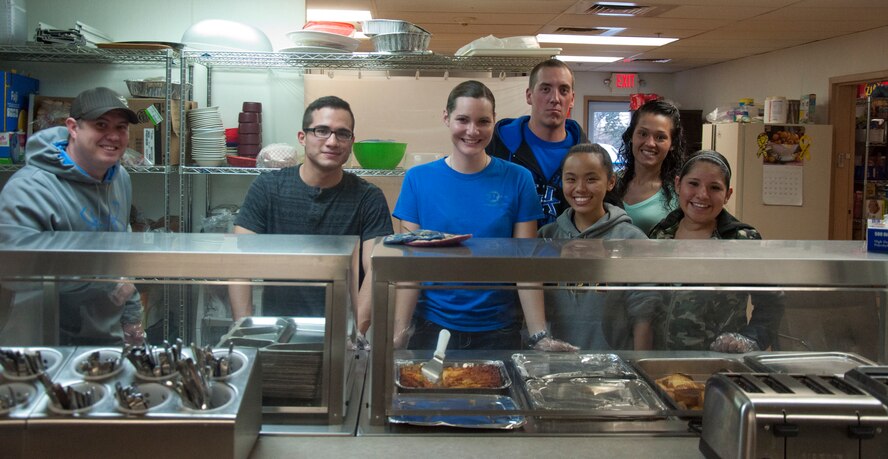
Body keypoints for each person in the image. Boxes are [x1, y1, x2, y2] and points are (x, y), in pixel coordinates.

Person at [393, 80, 575, 351]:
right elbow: (410, 269)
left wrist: (539, 336)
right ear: (446, 118)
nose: (472, 131)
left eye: (483, 121)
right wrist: (400, 333)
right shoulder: (418, 180)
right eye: (462, 120)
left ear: (493, 122)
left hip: (499, 328)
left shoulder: (518, 179)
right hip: (432, 327)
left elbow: (524, 264)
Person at [230, 96, 393, 338]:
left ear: (351, 142)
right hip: (277, 331)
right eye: (322, 131)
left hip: (343, 330)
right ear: (302, 137)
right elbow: (239, 262)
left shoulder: (368, 197)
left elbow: (377, 268)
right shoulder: (267, 188)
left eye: (342, 133)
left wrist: (355, 334)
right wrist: (244, 328)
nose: (332, 141)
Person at [0, 86, 145, 345]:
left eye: (121, 127)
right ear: (73, 127)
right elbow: (15, 274)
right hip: (42, 341)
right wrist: (106, 282)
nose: (113, 136)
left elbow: (122, 250)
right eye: (101, 125)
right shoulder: (31, 188)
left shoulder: (119, 178)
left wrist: (131, 314)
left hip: (103, 336)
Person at [648, 150, 784, 352]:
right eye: (693, 184)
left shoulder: (741, 240)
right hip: (658, 361)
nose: (702, 194)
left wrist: (751, 339)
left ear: (728, 194)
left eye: (714, 188)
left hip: (718, 363)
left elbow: (772, 302)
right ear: (678, 185)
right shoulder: (659, 234)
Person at [539, 143, 660, 350]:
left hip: (612, 366)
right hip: (556, 363)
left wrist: (639, 366)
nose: (580, 188)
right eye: (571, 179)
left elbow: (644, 314)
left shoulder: (631, 239)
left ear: (611, 182)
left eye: (591, 179)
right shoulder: (547, 237)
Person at [487, 59, 589, 227]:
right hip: (508, 250)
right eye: (545, 89)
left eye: (563, 90)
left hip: (569, 251)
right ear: (529, 95)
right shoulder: (497, 147)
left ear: (572, 99)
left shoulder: (587, 156)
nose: (555, 98)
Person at [613, 99, 686, 234]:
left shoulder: (680, 191)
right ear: (631, 135)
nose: (650, 143)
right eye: (643, 133)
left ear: (673, 144)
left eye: (660, 137)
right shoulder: (611, 184)